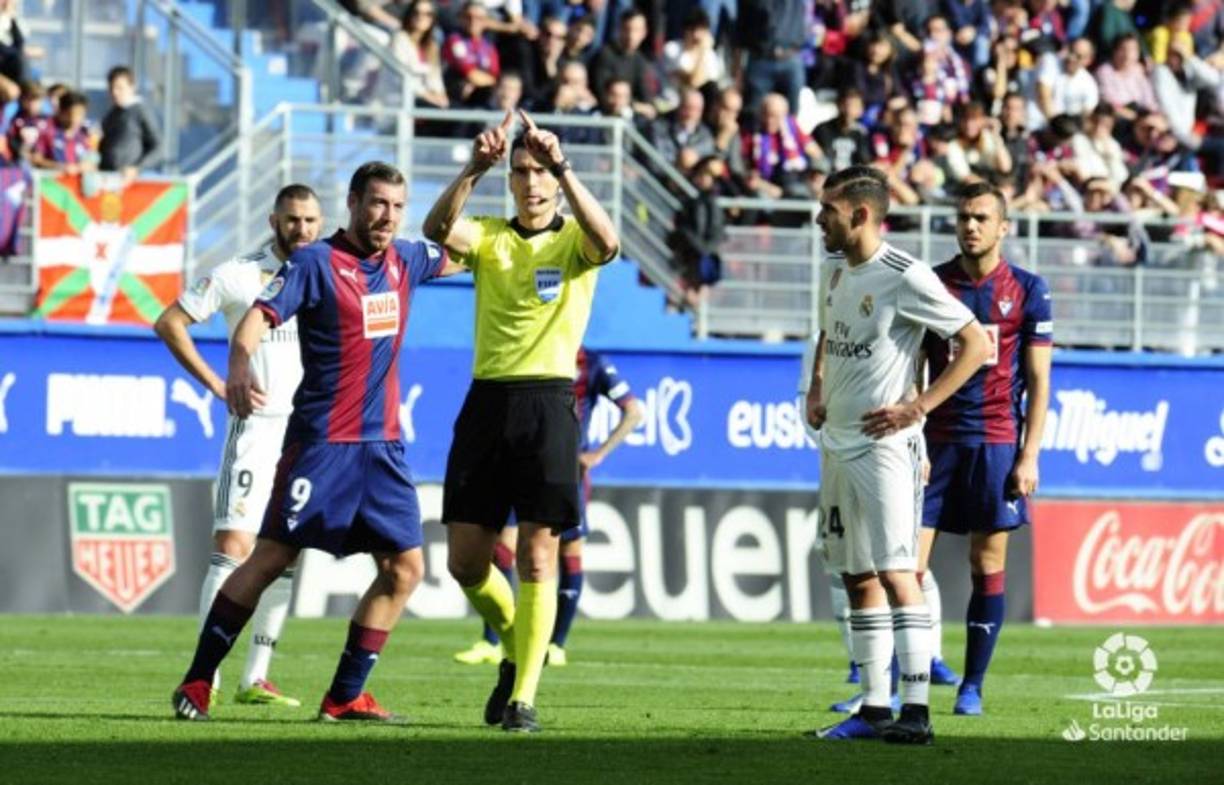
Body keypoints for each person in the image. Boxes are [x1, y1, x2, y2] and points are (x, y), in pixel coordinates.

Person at [171, 161, 465, 722]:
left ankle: (346, 694)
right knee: (271, 556)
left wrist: (472, 172)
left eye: (397, 207)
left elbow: (467, 244)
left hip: (383, 449)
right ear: (353, 203)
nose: (388, 216)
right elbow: (256, 319)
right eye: (378, 203)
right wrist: (236, 367)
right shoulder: (314, 262)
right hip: (322, 443)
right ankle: (197, 681)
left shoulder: (406, 259)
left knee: (405, 570)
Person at [423, 109, 619, 733]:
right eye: (522, 172)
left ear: (555, 183)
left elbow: (609, 242)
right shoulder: (487, 235)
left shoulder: (574, 244)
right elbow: (435, 230)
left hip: (549, 405)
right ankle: (515, 650)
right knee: (465, 564)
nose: (530, 183)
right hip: (487, 403)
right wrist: (474, 168)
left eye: (539, 173)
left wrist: (565, 162)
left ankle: (524, 697)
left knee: (538, 556)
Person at [804, 165, 989, 743]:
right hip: (836, 444)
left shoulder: (904, 276)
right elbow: (829, 335)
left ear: (860, 214)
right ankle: (874, 707)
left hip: (886, 449)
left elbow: (977, 343)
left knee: (897, 572)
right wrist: (817, 385)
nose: (818, 220)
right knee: (856, 576)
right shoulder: (834, 270)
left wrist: (920, 407)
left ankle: (917, 711)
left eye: (828, 210)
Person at [155, 185, 322, 709]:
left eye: (311, 220)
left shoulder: (324, 272)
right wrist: (216, 383)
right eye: (293, 219)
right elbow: (170, 322)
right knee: (232, 546)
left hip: (307, 434)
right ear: (274, 219)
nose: (302, 229)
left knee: (285, 555)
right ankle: (207, 678)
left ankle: (257, 678)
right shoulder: (237, 274)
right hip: (255, 430)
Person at [917, 182, 1053, 717]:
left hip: (996, 441)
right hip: (935, 442)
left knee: (986, 561)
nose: (970, 226)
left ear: (1003, 227)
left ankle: (971, 685)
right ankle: (887, 683)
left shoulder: (1027, 289)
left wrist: (1030, 454)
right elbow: (911, 364)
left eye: (981, 217)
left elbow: (1039, 381)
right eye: (963, 217)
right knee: (906, 565)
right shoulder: (931, 283)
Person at [453, 345, 644, 666]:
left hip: (563, 469)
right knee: (502, 546)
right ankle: (493, 640)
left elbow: (634, 410)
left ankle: (556, 644)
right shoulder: (531, 353)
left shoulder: (594, 364)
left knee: (567, 552)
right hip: (520, 462)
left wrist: (597, 455)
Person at [99, 66, 162, 182]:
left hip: (133, 183)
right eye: (112, 88)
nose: (115, 92)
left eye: (119, 88)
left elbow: (158, 147)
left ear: (132, 87)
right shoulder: (110, 115)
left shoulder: (141, 111)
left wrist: (137, 168)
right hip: (108, 180)